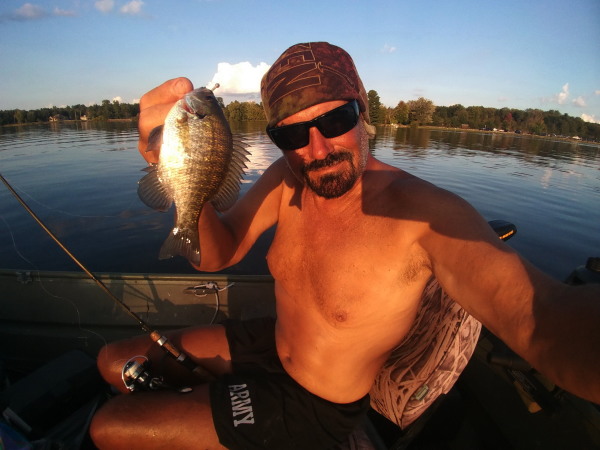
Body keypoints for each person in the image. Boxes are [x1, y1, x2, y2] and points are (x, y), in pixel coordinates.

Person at [90, 42, 600, 449]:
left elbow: (539, 316)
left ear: (363, 110)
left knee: (108, 427)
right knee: (113, 361)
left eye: (335, 121)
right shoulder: (287, 179)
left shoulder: (426, 214)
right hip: (271, 345)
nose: (317, 149)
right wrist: (173, 167)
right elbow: (217, 256)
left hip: (316, 406)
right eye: (292, 134)